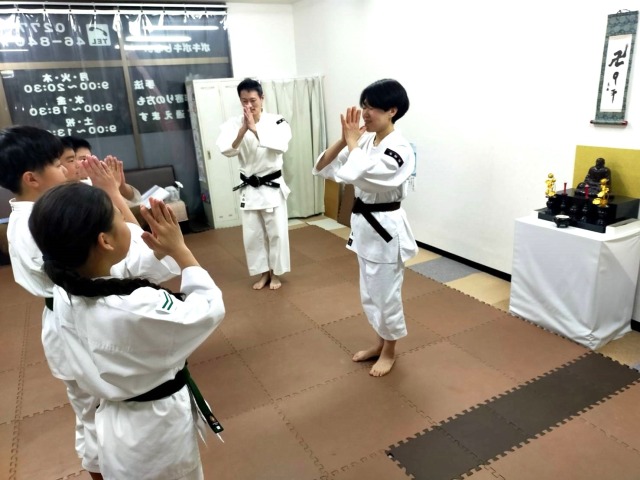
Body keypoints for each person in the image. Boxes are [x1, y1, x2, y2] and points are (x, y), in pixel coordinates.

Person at [0, 126, 179, 479]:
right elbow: (124, 259)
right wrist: (111, 195)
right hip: (82, 319)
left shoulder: (37, 212)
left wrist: (112, 190)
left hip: (73, 318)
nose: (68, 169)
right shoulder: (40, 223)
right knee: (97, 411)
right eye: (59, 163)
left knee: (93, 410)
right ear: (32, 179)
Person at [29, 182, 225, 480]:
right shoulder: (136, 308)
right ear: (104, 241)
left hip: (117, 425)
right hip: (155, 432)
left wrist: (160, 248)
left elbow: (125, 268)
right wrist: (181, 250)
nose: (124, 220)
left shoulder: (67, 292)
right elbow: (208, 309)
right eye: (118, 216)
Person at [312, 79, 418, 377]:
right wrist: (344, 139)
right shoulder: (368, 142)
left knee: (387, 295)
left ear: (392, 111)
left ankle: (390, 350)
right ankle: (379, 343)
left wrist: (352, 142)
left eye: (372, 108)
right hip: (364, 229)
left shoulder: (400, 148)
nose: (365, 113)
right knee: (371, 293)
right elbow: (324, 167)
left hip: (385, 229)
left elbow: (361, 173)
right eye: (364, 106)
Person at [216, 77, 292, 290]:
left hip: (272, 187)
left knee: (276, 233)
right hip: (249, 188)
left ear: (262, 98)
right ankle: (263, 273)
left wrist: (255, 129)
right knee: (253, 235)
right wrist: (243, 130)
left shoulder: (277, 121)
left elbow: (281, 146)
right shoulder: (232, 124)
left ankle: (276, 274)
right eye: (244, 101)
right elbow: (226, 150)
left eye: (252, 100)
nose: (248, 105)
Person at [62, 135, 142, 205]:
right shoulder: (66, 194)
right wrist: (111, 190)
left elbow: (135, 202)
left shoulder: (94, 181)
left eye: (90, 158)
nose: (89, 162)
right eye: (83, 159)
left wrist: (121, 186)